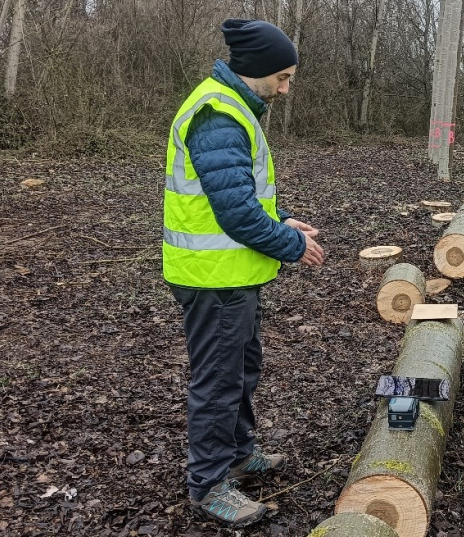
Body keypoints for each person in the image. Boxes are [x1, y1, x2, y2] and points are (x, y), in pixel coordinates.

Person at [162, 18, 325, 528]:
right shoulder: (219, 115)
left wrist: (279, 220)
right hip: (215, 279)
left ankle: (237, 453)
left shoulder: (233, 107)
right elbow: (234, 214)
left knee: (241, 369)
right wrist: (290, 244)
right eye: (281, 76)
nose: (285, 87)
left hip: (233, 275)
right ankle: (209, 483)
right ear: (254, 71)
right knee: (218, 381)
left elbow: (235, 198)